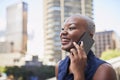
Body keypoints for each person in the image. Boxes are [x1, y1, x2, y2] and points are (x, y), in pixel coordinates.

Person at [55, 14, 117, 80]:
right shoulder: (59, 66)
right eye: (62, 29)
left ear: (89, 36)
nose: (62, 33)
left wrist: (78, 73)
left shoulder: (104, 70)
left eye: (71, 28)